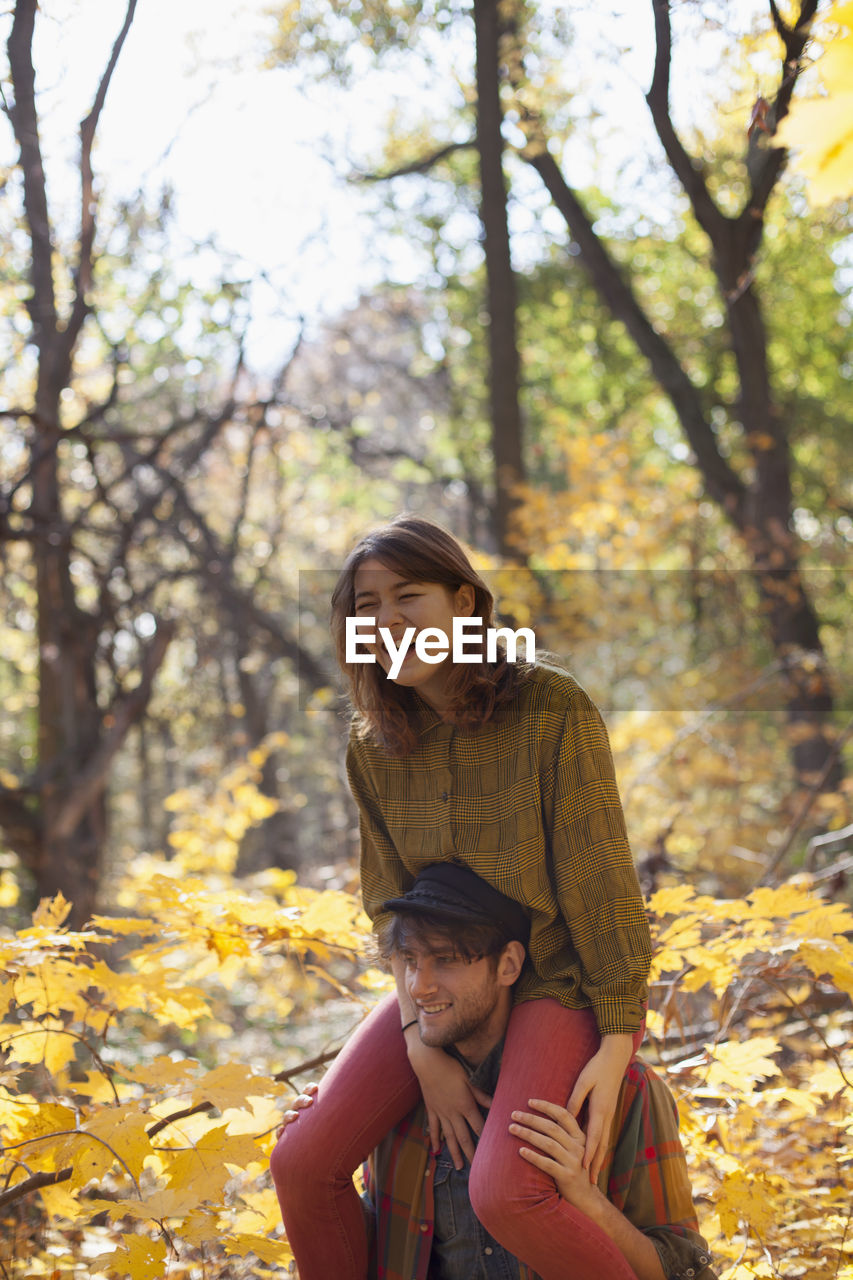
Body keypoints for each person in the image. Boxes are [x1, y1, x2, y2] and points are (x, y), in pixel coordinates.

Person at [271, 514, 653, 1279]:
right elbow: (388, 902)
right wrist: (422, 1046)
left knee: (506, 1194)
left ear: (467, 603)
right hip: (436, 983)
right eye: (364, 607)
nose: (384, 621)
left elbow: (601, 882)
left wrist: (615, 1050)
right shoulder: (370, 740)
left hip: (553, 976)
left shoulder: (551, 707)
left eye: (406, 596)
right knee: (302, 1162)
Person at [278, 864, 717, 1280]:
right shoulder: (401, 1097)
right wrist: (313, 1173)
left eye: (445, 960)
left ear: (508, 965)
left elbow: (682, 1272)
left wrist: (585, 1200)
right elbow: (384, 1252)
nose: (419, 986)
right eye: (411, 961)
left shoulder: (618, 1091)